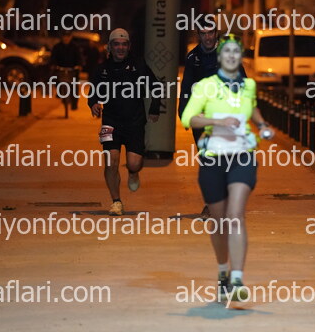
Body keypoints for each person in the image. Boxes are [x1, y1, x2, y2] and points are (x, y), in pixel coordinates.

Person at [180, 34, 274, 302]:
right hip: (213, 159)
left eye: (236, 52)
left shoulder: (248, 85)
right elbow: (188, 118)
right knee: (219, 223)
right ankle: (223, 271)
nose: (231, 56)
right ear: (219, 57)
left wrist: (262, 125)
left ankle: (237, 279)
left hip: (242, 156)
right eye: (227, 52)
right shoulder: (205, 86)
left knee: (235, 215)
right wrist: (217, 122)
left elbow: (251, 109)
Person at [179, 20, 251, 218]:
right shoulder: (193, 57)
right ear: (198, 35)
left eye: (211, 33)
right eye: (203, 33)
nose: (208, 37)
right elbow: (186, 87)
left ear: (216, 33)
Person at [88, 28, 161, 216]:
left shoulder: (139, 65)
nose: (120, 48)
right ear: (110, 47)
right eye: (116, 44)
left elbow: (155, 86)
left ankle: (133, 172)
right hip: (110, 122)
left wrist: (154, 108)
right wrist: (93, 103)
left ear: (129, 46)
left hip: (134, 122)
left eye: (124, 44)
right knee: (110, 162)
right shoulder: (102, 70)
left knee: (134, 163)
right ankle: (116, 201)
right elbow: (93, 93)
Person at [51, 31, 82, 110]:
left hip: (72, 70)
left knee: (74, 86)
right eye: (65, 36)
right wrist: (54, 65)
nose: (66, 38)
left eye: (68, 36)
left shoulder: (75, 47)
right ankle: (60, 93)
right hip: (60, 69)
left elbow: (79, 58)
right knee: (56, 80)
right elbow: (53, 57)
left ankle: (74, 103)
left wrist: (79, 65)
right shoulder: (57, 47)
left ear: (71, 37)